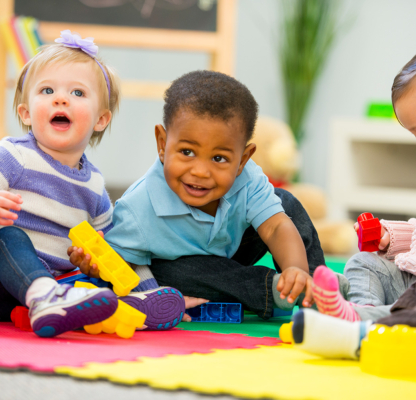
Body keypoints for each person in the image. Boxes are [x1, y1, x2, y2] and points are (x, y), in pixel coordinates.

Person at [102, 70, 326, 320]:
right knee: (173, 275)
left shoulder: (248, 178)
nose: (200, 172)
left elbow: (274, 228)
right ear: (162, 144)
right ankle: (273, 289)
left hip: (236, 246)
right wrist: (150, 298)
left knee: (285, 203)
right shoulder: (138, 209)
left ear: (242, 160)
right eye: (187, 152)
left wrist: (295, 268)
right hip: (196, 271)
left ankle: (316, 287)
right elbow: (118, 265)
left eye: (219, 158)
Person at [0, 31, 123, 338]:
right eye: (47, 90)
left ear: (100, 120)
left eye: (78, 93)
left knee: (96, 279)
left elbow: (111, 246)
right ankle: (46, 297)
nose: (61, 99)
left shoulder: (95, 186)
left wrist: (92, 263)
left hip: (33, 295)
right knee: (9, 237)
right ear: (25, 113)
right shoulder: (12, 155)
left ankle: (63, 301)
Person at [310, 36, 416, 323]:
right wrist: (390, 236)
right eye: (414, 135)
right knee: (365, 262)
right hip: (414, 278)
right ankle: (360, 308)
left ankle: (359, 316)